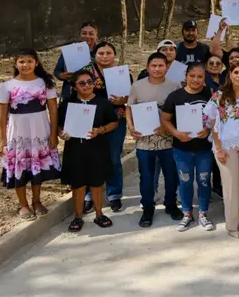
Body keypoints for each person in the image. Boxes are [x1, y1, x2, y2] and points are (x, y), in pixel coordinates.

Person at [0, 50, 61, 220]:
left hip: (40, 131)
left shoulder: (45, 83)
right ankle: (23, 204)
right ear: (16, 64)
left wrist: (53, 134)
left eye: (29, 61)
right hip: (17, 134)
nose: (25, 65)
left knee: (36, 165)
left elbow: (53, 110)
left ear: (36, 63)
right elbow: (2, 116)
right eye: (21, 62)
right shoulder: (6, 86)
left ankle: (37, 201)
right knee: (20, 166)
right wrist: (2, 140)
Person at [126, 53, 183, 227]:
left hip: (168, 139)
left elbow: (179, 111)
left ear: (167, 67)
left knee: (171, 176)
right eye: (154, 65)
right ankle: (148, 209)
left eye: (161, 65)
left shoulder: (175, 86)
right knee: (147, 177)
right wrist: (130, 126)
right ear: (148, 67)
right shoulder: (137, 86)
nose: (157, 69)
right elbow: (129, 107)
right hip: (145, 141)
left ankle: (171, 204)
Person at [58, 72, 119, 232]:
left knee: (96, 182)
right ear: (74, 86)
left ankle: (99, 214)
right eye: (82, 83)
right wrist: (61, 133)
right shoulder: (67, 104)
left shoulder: (102, 102)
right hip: (75, 148)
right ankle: (78, 216)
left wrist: (100, 130)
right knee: (77, 183)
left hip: (97, 148)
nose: (86, 85)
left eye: (89, 82)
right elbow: (59, 125)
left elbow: (114, 122)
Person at [161, 63, 215, 232]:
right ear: (186, 76)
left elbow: (217, 117)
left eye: (200, 77)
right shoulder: (175, 96)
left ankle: (203, 214)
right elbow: (165, 119)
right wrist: (176, 133)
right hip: (181, 148)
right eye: (192, 76)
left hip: (204, 148)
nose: (196, 80)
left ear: (204, 78)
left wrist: (208, 129)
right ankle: (187, 213)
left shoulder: (210, 94)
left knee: (204, 180)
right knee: (185, 181)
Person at [205, 61, 239, 238]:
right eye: (236, 73)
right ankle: (231, 224)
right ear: (230, 74)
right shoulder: (220, 96)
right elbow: (212, 123)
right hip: (225, 146)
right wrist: (218, 148)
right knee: (230, 185)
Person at [86, 42, 131, 213]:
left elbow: (131, 96)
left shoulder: (123, 73)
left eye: (108, 53)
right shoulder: (86, 73)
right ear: (95, 55)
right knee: (91, 158)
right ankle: (89, 195)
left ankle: (114, 195)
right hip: (91, 119)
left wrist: (123, 100)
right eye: (101, 53)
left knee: (113, 157)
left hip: (116, 119)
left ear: (114, 55)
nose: (104, 56)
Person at [54, 21, 99, 99]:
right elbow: (57, 71)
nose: (87, 36)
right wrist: (62, 75)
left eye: (91, 34)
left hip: (96, 93)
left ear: (96, 36)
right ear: (80, 35)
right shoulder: (70, 50)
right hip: (71, 93)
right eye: (84, 33)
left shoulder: (101, 52)